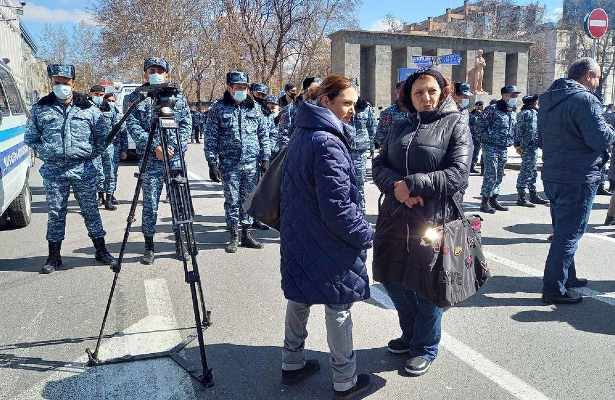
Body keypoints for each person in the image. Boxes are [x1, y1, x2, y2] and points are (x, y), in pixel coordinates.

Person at [372, 69, 472, 376]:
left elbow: (459, 174)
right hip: (395, 215)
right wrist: (397, 189)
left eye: (431, 91)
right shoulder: (398, 124)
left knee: (428, 284)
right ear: (408, 96)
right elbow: (379, 165)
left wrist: (414, 184)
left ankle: (425, 346)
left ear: (442, 92)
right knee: (392, 276)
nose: (426, 98)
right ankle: (411, 333)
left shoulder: (456, 124)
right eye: (418, 93)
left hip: (435, 218)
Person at [280, 75, 373, 398]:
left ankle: (291, 362)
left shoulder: (302, 133)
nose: (352, 111)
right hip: (327, 240)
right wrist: (365, 235)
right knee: (338, 306)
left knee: (300, 295)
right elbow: (338, 208)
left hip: (301, 235)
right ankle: (344, 380)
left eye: (354, 104)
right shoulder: (327, 141)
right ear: (325, 102)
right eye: (346, 103)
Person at [24, 64, 116, 274]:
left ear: (73, 83)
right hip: (54, 172)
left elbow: (104, 137)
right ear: (52, 83)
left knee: (90, 210)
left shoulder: (88, 108)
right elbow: (30, 138)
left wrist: (89, 154)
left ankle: (101, 251)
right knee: (56, 213)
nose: (61, 86)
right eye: (57, 82)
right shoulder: (40, 108)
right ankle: (54, 257)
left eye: (65, 82)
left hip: (83, 169)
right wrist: (46, 151)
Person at [539, 58, 615, 304]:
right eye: (597, 77)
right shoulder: (585, 100)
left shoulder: (550, 99)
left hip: (554, 174)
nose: (598, 82)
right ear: (588, 76)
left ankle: (567, 277)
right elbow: (600, 139)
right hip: (578, 176)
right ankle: (554, 288)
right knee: (569, 235)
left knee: (563, 230)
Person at [125, 57, 192, 265]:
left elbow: (186, 125)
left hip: (175, 161)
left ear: (167, 74)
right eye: (151, 70)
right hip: (151, 161)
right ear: (145, 74)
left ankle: (181, 243)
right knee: (150, 205)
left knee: (178, 204)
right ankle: (149, 246)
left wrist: (175, 148)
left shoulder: (178, 97)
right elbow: (133, 126)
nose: (155, 73)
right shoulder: (134, 98)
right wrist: (155, 147)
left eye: (159, 70)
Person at [204, 71, 271, 253]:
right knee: (232, 200)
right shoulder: (218, 108)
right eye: (238, 87)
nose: (242, 90)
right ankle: (233, 236)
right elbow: (211, 136)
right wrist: (212, 162)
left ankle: (246, 234)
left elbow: (263, 134)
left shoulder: (254, 108)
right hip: (229, 164)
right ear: (229, 87)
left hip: (251, 164)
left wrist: (265, 157)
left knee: (248, 200)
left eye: (244, 87)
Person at [478, 85, 521, 214]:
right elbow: (480, 125)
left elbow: (513, 129)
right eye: (513, 95)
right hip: (490, 146)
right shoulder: (492, 109)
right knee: (491, 173)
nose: (515, 98)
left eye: (516, 96)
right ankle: (484, 201)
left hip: (503, 147)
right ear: (505, 95)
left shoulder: (511, 111)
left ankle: (494, 198)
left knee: (499, 174)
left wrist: (516, 143)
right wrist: (487, 137)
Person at [514, 95, 548, 207]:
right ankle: (521, 197)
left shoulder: (535, 113)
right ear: (532, 103)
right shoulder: (524, 114)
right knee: (526, 170)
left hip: (534, 146)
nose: (538, 104)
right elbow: (518, 130)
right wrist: (517, 145)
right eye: (536, 102)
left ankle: (533, 195)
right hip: (526, 146)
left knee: (533, 171)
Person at [100, 92, 128, 209]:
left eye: (113, 100)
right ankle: (100, 196)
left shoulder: (118, 114)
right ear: (104, 100)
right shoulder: (97, 112)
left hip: (115, 147)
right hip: (100, 148)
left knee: (112, 173)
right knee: (100, 173)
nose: (111, 103)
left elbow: (123, 133)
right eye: (109, 100)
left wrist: (124, 150)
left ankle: (110, 197)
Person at [277, 77, 322, 148]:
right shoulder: (291, 109)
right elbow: (283, 133)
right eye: (316, 90)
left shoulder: (322, 108)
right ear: (308, 90)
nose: (319, 93)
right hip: (297, 149)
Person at [350, 96, 376, 211]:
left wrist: (372, 148)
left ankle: (360, 209)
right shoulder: (344, 106)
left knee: (359, 181)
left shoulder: (366, 108)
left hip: (360, 151)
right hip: (345, 148)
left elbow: (372, 127)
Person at [89, 84, 108, 207]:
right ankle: (94, 198)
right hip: (91, 147)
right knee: (94, 172)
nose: (99, 97)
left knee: (105, 173)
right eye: (96, 95)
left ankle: (104, 196)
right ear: (91, 94)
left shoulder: (106, 107)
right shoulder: (84, 107)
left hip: (105, 145)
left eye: (101, 95)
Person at [374, 81, 407, 148]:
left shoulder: (417, 112)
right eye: (400, 92)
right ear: (396, 93)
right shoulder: (388, 112)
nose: (403, 95)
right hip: (393, 152)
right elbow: (380, 135)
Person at [469, 101, 484, 174]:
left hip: (480, 137)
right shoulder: (471, 114)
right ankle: (469, 166)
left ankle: (472, 167)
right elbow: (468, 125)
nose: (478, 106)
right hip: (472, 137)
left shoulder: (484, 114)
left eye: (480, 105)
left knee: (476, 153)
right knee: (471, 152)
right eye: (477, 105)